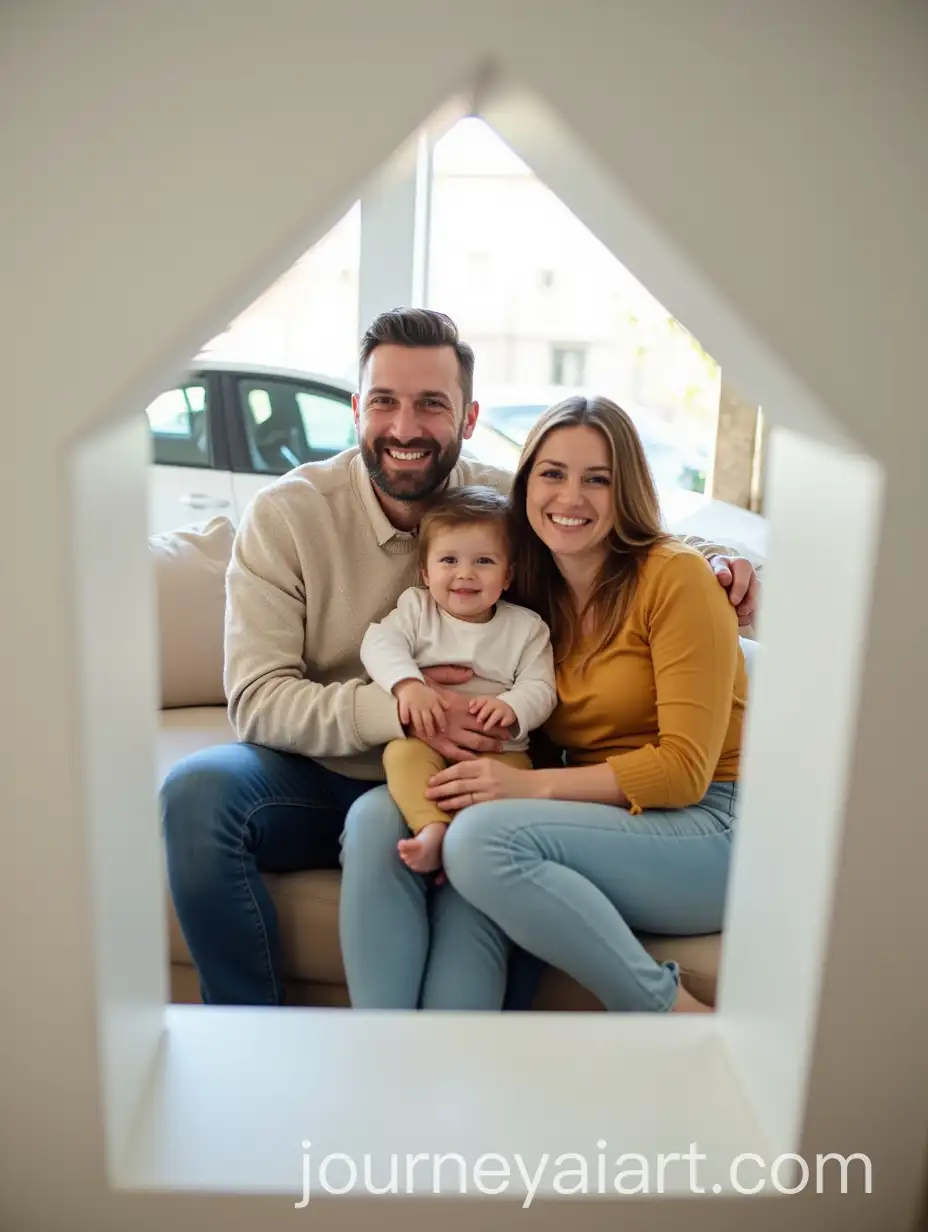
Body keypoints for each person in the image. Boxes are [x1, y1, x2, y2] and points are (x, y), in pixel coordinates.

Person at [160, 306, 759, 1008]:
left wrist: (721, 561)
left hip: (481, 767)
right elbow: (258, 700)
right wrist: (405, 712)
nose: (405, 428)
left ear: (468, 419)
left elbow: (614, 531)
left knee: (458, 838)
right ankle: (257, 1039)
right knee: (196, 793)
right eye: (384, 401)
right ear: (357, 409)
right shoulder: (290, 516)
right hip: (330, 766)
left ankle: (447, 1051)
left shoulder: (506, 506)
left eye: (431, 405)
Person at [426, 395, 747, 1012]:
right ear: (525, 485)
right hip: (615, 817)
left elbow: (683, 771)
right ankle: (447, 1071)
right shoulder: (531, 595)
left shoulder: (675, 579)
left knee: (479, 843)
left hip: (713, 825)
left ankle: (675, 1015)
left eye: (596, 479)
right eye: (552, 473)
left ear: (624, 490)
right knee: (464, 876)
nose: (569, 498)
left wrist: (527, 790)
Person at [359, 485, 557, 874]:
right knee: (400, 757)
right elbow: (378, 643)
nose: (465, 573)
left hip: (500, 751)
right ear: (425, 572)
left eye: (484, 561)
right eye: (448, 560)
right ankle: (431, 828)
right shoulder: (417, 609)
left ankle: (469, 848)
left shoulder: (526, 628)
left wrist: (511, 707)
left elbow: (542, 688)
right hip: (424, 739)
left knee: (511, 789)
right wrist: (408, 685)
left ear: (508, 574)